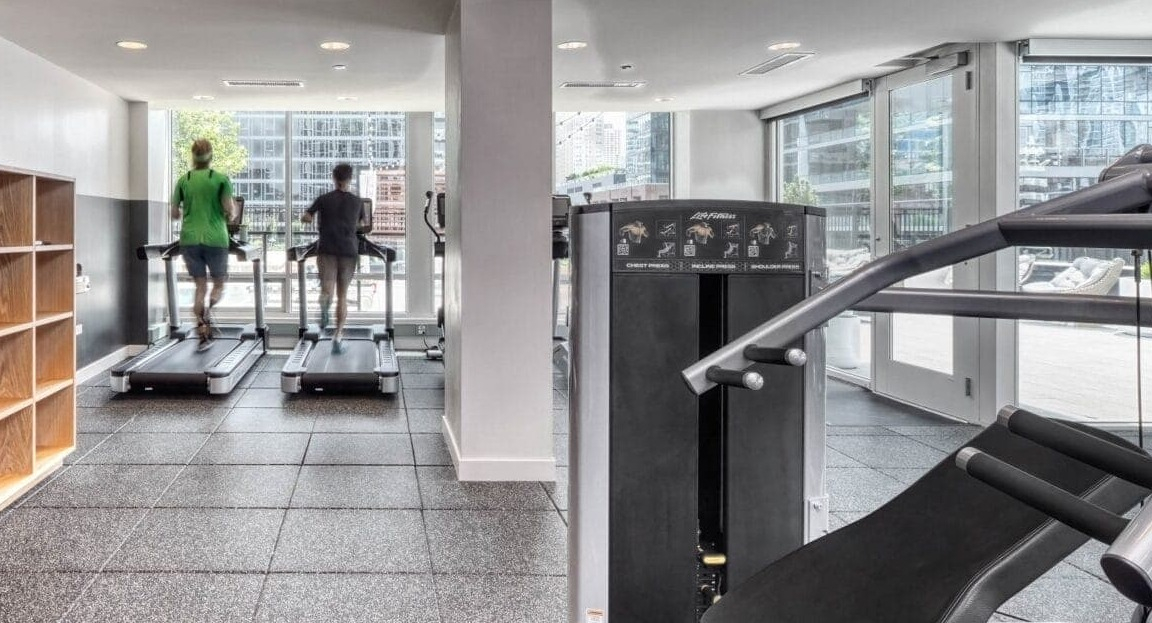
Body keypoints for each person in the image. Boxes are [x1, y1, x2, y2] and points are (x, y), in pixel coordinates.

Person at [170, 138, 237, 351]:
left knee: (200, 286)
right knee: (218, 284)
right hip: (216, 239)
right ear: (211, 156)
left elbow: (174, 214)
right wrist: (229, 213)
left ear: (193, 156)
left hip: (189, 240)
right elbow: (230, 210)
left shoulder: (184, 179)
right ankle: (209, 312)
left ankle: (202, 329)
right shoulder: (220, 179)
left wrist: (187, 211)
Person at [302, 163, 364, 354]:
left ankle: (324, 308)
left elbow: (306, 217)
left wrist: (309, 218)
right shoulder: (357, 201)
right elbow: (362, 224)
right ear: (350, 179)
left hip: (327, 248)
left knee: (327, 287)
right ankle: (337, 336)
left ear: (333, 178)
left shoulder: (323, 199)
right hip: (349, 250)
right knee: (343, 295)